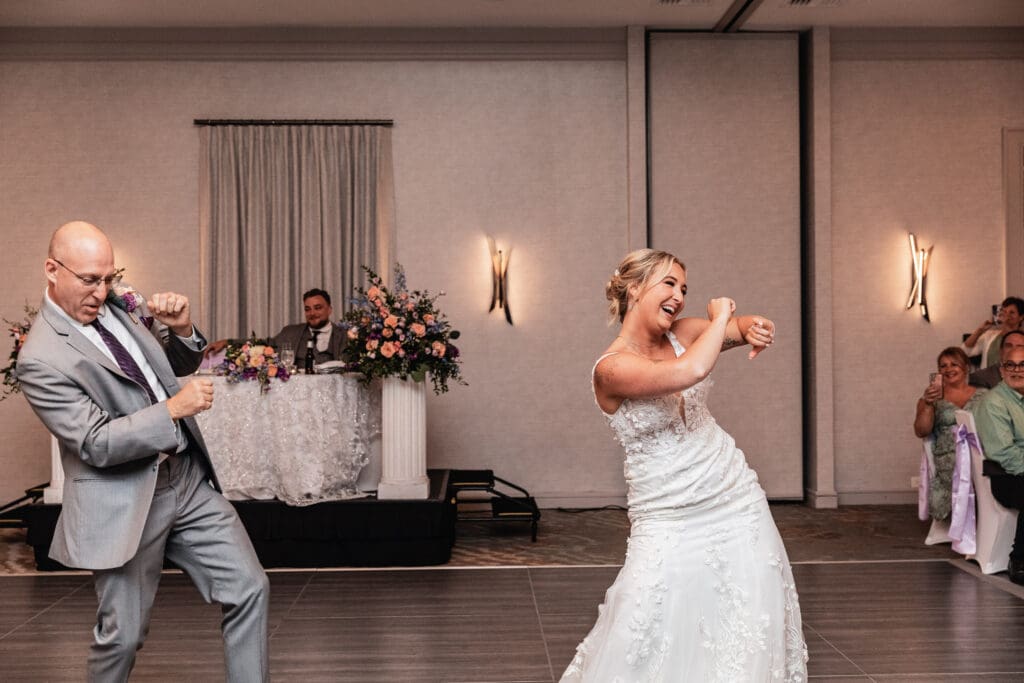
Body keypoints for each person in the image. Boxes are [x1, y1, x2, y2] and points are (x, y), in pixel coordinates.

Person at [16, 221, 269, 681]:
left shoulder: (119, 303)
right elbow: (95, 443)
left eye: (108, 278)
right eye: (89, 280)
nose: (102, 291)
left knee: (249, 588)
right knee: (123, 636)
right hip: (124, 498)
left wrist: (182, 329)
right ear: (52, 269)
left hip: (185, 479)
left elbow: (165, 367)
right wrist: (173, 410)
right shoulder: (40, 358)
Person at [561, 249, 807, 681]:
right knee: (647, 620)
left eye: (685, 288)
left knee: (748, 614)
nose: (679, 296)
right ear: (635, 288)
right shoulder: (611, 369)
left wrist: (755, 326)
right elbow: (691, 370)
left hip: (735, 498)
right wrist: (722, 312)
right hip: (667, 515)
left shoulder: (684, 333)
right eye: (669, 284)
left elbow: (737, 329)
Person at [913, 347, 987, 521]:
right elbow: (921, 431)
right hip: (949, 457)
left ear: (966, 367)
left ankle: (989, 518)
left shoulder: (984, 395)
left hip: (981, 453)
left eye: (954, 364)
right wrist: (928, 404)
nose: (948, 369)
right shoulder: (930, 399)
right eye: (943, 366)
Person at [975, 345, 1024, 585]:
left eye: (1022, 365)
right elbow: (1004, 453)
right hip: (1007, 476)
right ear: (1002, 371)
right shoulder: (994, 402)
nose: (1017, 370)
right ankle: (1019, 559)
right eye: (1010, 365)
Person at [272, 288, 344, 365]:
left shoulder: (344, 336)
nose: (312, 313)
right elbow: (266, 346)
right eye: (307, 309)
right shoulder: (289, 332)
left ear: (329, 310)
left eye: (317, 308)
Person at [963, 296, 1024, 370]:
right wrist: (980, 330)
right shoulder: (989, 335)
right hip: (988, 376)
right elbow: (966, 352)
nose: (1007, 315)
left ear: (1021, 317)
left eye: (1012, 312)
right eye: (1004, 311)